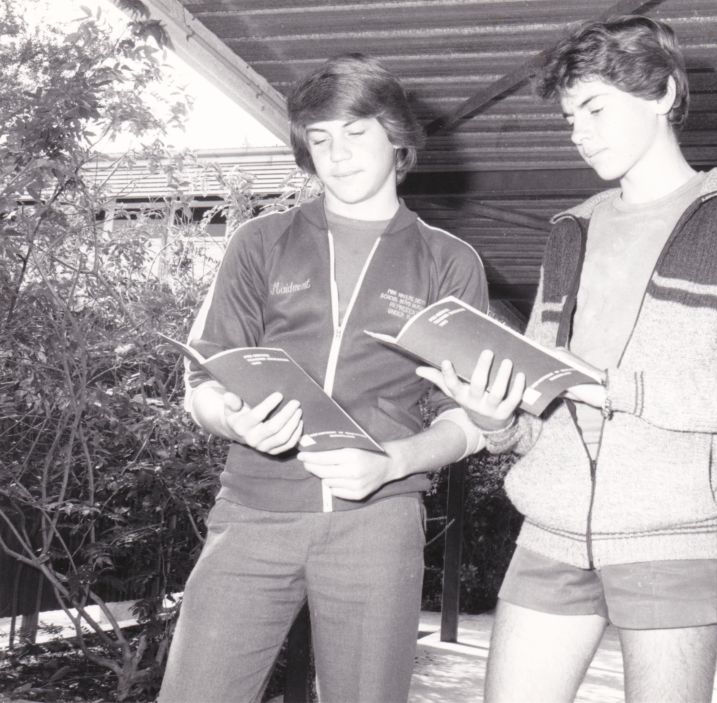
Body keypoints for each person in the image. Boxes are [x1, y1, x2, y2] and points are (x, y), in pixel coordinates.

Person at [418, 15, 717, 702]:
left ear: (662, 92)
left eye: (597, 108)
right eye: (571, 116)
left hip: (674, 535)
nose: (580, 132)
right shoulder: (569, 232)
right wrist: (501, 421)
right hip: (550, 530)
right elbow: (543, 398)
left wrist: (620, 387)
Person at [158, 53, 488, 703]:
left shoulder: (448, 261)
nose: (336, 153)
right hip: (251, 513)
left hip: (378, 521)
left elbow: (471, 417)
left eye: (355, 131)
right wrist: (231, 417)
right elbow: (202, 382)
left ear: (397, 137)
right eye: (319, 137)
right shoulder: (259, 243)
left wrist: (395, 461)